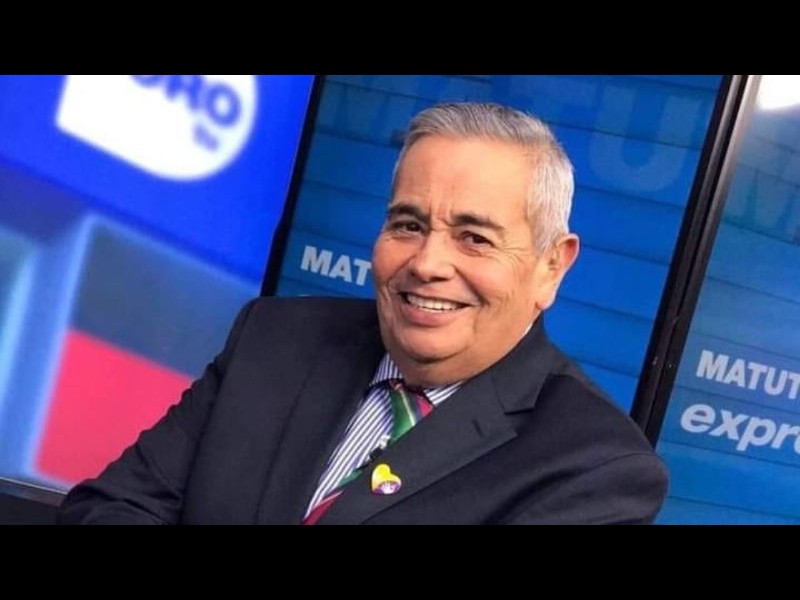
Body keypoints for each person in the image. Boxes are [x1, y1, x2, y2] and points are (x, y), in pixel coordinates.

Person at [57, 102, 668, 525]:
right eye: (408, 225)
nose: (427, 263)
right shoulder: (275, 338)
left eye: (474, 238)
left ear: (552, 266)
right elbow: (110, 508)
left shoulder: (595, 469)